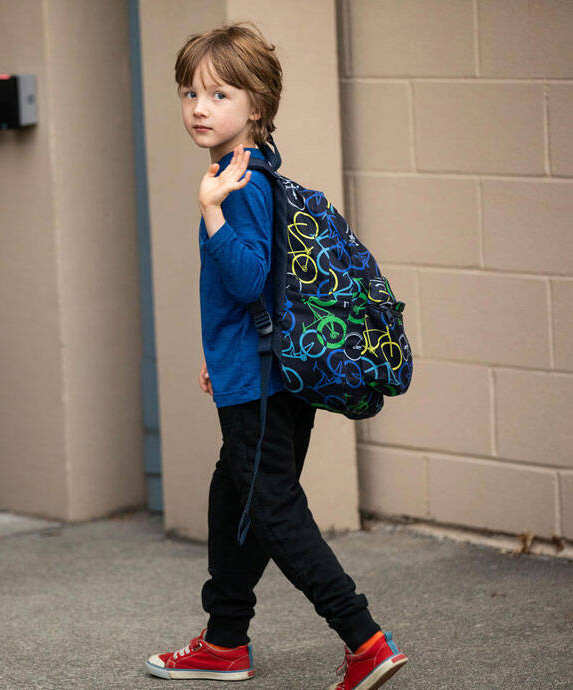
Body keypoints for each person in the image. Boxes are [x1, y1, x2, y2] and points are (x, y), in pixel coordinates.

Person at [144, 24, 408, 690]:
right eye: (188, 92)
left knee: (273, 510)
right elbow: (259, 294)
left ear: (255, 106)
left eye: (218, 93)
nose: (198, 107)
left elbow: (245, 274)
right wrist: (222, 354)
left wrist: (210, 211)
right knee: (232, 500)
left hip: (260, 385)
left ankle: (365, 640)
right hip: (260, 372)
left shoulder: (238, 185)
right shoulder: (252, 173)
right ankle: (225, 642)